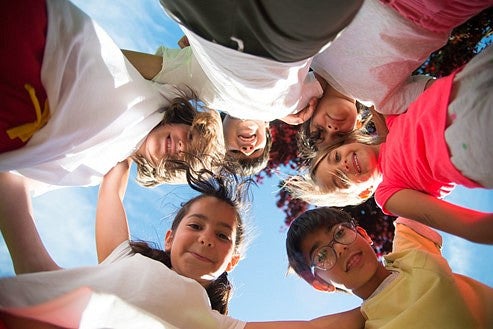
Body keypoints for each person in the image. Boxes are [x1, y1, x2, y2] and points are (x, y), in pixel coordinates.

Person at [0, 168, 364, 329]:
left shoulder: (214, 322)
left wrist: (386, 297)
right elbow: (111, 190)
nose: (207, 237)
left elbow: (317, 326)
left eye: (223, 236)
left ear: (231, 261)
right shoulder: (124, 257)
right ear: (171, 238)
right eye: (195, 225)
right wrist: (128, 150)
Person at [0, 0, 224, 194]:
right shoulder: (166, 95)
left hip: (13, 132)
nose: (182, 147)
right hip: (42, 51)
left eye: (185, 160)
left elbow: (17, 184)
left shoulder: (100, 174)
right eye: (191, 137)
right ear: (184, 122)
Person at [286, 44, 493, 244]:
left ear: (348, 142)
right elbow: (466, 226)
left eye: (336, 157)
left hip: (469, 81)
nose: (343, 167)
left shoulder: (390, 115)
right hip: (467, 143)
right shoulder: (388, 193)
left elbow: (362, 84)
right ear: (364, 192)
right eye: (340, 180)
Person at [298, 0, 492, 150]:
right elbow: (444, 91)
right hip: (435, 13)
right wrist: (386, 140)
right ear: (357, 125)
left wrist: (288, 107)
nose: (332, 130)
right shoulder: (385, 102)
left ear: (308, 110)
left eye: (320, 131)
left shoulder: (311, 57)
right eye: (340, 137)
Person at [286, 207, 493, 329]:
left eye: (340, 233)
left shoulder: (409, 248)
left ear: (363, 234)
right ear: (320, 284)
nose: (340, 248)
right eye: (321, 255)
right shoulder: (367, 322)